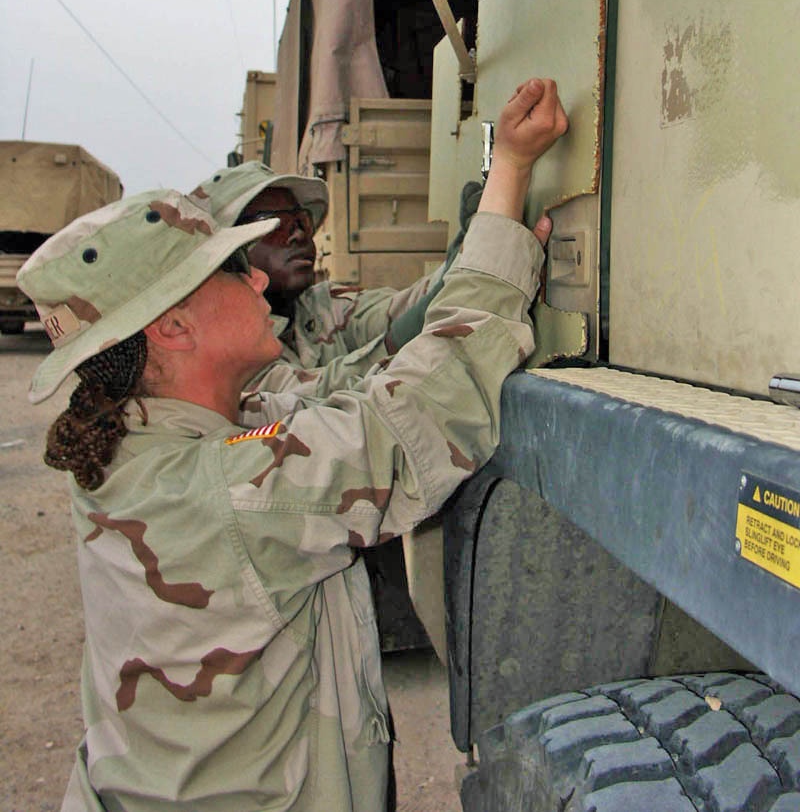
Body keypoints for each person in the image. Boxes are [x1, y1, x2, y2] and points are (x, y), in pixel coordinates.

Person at [19, 77, 568, 812]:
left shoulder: (150, 436)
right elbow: (426, 409)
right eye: (226, 269)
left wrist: (483, 246)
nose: (255, 276)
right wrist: (511, 171)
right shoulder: (225, 491)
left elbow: (342, 392)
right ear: (171, 329)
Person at [189, 163, 483, 408]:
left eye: (302, 220)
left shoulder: (322, 304)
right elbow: (317, 398)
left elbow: (403, 308)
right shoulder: (226, 354)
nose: (299, 235)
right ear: (227, 252)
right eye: (275, 224)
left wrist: (466, 254)